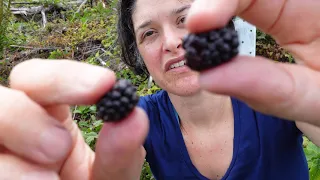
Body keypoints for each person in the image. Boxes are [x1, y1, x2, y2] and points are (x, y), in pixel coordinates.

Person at [1, 0, 319, 179]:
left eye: (184, 19)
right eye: (149, 33)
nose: (171, 43)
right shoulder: (139, 120)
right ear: (138, 53)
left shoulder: (281, 97)